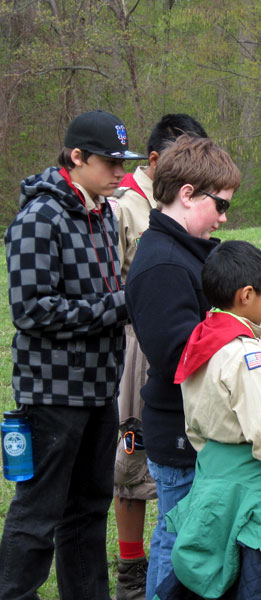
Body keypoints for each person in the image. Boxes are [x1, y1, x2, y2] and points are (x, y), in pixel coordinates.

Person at [0, 110, 145, 599]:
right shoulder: (40, 217)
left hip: (99, 388)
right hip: (53, 393)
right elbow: (31, 310)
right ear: (76, 156)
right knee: (38, 514)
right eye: (109, 162)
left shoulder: (101, 212)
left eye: (123, 161)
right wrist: (121, 305)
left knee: (88, 510)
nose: (120, 172)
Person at [154, 240, 261, 600]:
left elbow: (195, 428)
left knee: (215, 577)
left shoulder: (202, 339)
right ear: (247, 294)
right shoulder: (247, 356)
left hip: (213, 484)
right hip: (258, 496)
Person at [125, 134, 240, 599]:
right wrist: (238, 335)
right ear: (188, 194)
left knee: (191, 536)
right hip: (180, 428)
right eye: (220, 205)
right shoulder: (164, 264)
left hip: (199, 426)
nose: (224, 217)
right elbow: (177, 355)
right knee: (180, 540)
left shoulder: (189, 253)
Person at [112, 113, 209, 600]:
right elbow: (111, 283)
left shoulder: (190, 219)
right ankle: (132, 569)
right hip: (139, 344)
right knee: (134, 460)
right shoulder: (125, 207)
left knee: (176, 504)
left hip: (178, 338)